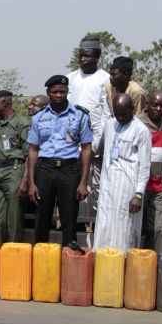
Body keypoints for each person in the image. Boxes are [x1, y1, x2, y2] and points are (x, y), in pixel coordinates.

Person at [28, 75, 93, 245]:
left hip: (69, 171)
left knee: (69, 219)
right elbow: (33, 150)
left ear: (67, 92)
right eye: (54, 91)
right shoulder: (38, 117)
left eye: (62, 91)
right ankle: (42, 258)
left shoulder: (80, 115)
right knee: (42, 218)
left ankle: (69, 258)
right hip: (45, 170)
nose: (58, 95)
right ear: (48, 93)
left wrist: (83, 182)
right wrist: (31, 182)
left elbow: (86, 149)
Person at [92, 94, 151, 251]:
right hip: (107, 185)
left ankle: (121, 266)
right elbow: (96, 147)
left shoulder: (141, 131)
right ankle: (101, 264)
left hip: (128, 188)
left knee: (124, 229)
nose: (119, 118)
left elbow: (145, 166)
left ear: (131, 109)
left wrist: (138, 195)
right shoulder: (110, 124)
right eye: (116, 114)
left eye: (123, 114)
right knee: (104, 225)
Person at [67, 37, 112, 217]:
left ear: (97, 57)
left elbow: (106, 114)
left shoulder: (105, 79)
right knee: (74, 184)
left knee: (97, 185)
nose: (83, 59)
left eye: (87, 56)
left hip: (96, 143)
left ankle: (94, 224)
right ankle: (76, 223)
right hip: (72, 143)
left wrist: (95, 145)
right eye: (81, 56)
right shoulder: (71, 78)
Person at [0, 90, 31, 244]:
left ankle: (14, 255)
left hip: (15, 171)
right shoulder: (0, 124)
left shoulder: (22, 123)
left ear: (5, 103)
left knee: (14, 220)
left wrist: (25, 180)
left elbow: (29, 154)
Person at [140, 90, 162, 250]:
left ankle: (151, 267)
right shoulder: (137, 123)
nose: (158, 108)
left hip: (158, 188)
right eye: (154, 104)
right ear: (147, 105)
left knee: (155, 229)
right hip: (139, 187)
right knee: (135, 229)